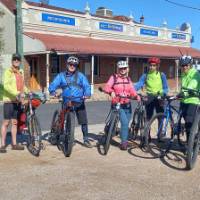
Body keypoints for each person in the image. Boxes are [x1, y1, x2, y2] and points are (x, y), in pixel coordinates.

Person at [48, 56, 92, 148]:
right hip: (66, 100)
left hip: (79, 101)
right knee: (63, 120)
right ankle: (62, 135)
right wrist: (53, 91)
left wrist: (87, 94)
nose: (72, 66)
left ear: (76, 66)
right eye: (70, 64)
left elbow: (87, 86)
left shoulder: (81, 76)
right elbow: (53, 84)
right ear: (67, 65)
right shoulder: (61, 76)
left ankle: (86, 139)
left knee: (83, 121)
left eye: (74, 65)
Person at [103, 60, 140, 150]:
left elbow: (132, 90)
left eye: (124, 68)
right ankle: (124, 143)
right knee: (124, 122)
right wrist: (111, 92)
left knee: (126, 124)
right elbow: (107, 87)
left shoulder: (128, 79)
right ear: (118, 69)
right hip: (117, 103)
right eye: (121, 68)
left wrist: (136, 96)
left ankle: (119, 135)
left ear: (127, 69)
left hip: (127, 104)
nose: (122, 70)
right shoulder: (114, 77)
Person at [0, 53, 27, 153]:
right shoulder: (8, 72)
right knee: (6, 122)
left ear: (20, 61)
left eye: (18, 60)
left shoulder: (20, 72)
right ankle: (2, 145)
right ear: (12, 61)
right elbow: (6, 86)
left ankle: (14, 144)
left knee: (15, 123)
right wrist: (17, 93)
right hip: (9, 101)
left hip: (17, 101)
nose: (16, 61)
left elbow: (23, 86)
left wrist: (29, 92)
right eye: (14, 59)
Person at [134, 57, 169, 122]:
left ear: (157, 66)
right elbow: (140, 83)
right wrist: (133, 89)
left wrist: (161, 92)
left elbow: (166, 88)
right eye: (150, 65)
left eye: (154, 65)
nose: (151, 67)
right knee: (148, 118)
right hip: (149, 97)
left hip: (159, 97)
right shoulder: (146, 75)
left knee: (160, 117)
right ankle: (146, 132)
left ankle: (160, 132)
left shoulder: (161, 75)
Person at [178, 55, 200, 141]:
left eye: (186, 65)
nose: (184, 67)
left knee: (189, 122)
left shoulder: (195, 74)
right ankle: (190, 141)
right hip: (184, 101)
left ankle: (190, 144)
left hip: (193, 100)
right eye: (183, 65)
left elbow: (192, 86)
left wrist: (184, 93)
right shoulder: (183, 74)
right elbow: (183, 87)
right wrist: (179, 94)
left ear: (190, 65)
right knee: (187, 123)